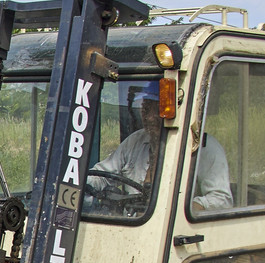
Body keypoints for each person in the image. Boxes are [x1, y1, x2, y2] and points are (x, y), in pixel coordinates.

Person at [87, 84, 232, 214]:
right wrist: (78, 185)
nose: (149, 117)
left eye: (157, 109)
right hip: (131, 226)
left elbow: (221, 200)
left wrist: (180, 213)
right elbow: (102, 176)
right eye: (146, 108)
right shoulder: (135, 141)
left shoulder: (204, 147)